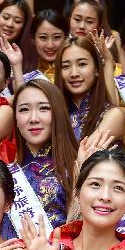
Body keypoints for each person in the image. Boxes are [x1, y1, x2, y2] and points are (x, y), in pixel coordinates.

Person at [11, 79, 78, 228]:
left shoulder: (76, 165)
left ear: (58, 114)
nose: (33, 118)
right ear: (15, 118)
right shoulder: (5, 173)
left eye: (43, 108)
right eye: (24, 110)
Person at [55, 36, 124, 141]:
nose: (74, 73)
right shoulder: (53, 115)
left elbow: (85, 155)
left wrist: (108, 62)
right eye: (65, 66)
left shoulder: (113, 115)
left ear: (97, 69)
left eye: (82, 64)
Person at [30, 10, 68, 82]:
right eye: (43, 37)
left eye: (57, 37)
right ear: (33, 39)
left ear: (65, 38)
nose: (50, 45)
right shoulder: (23, 69)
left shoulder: (74, 71)